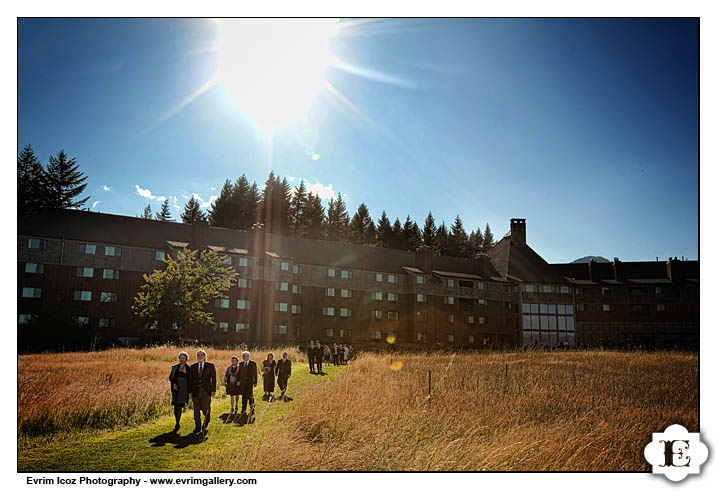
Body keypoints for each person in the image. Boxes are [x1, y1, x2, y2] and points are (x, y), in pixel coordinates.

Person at [189, 349, 216, 433]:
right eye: (198, 355)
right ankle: (197, 427)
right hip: (195, 391)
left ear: (204, 356)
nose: (200, 357)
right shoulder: (193, 366)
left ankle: (206, 421)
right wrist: (190, 391)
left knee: (206, 409)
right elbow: (190, 380)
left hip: (206, 391)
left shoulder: (210, 366)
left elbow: (214, 379)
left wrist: (213, 390)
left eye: (201, 355)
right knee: (196, 410)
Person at [169, 350, 190, 432]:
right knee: (175, 406)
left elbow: (190, 379)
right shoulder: (175, 367)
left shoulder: (189, 368)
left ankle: (178, 421)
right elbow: (171, 377)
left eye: (183, 358)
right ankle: (177, 422)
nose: (181, 359)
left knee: (180, 406)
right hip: (176, 389)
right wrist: (173, 383)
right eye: (180, 358)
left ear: (186, 359)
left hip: (184, 390)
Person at [238, 350, 258, 416]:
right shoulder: (240, 364)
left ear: (248, 356)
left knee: (250, 396)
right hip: (243, 383)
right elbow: (239, 373)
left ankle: (252, 410)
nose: (245, 357)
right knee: (244, 397)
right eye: (244, 356)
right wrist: (238, 381)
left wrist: (255, 382)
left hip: (250, 382)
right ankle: (243, 410)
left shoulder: (253, 364)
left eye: (246, 356)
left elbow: (255, 373)